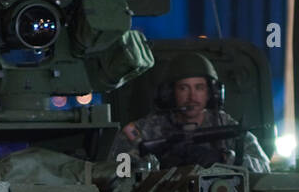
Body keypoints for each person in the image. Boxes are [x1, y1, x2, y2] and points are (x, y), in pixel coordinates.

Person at [110, 51, 271, 172]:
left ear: (211, 93)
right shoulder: (148, 128)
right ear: (170, 93)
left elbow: (264, 168)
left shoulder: (226, 126)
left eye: (199, 88)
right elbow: (115, 166)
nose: (192, 97)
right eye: (183, 88)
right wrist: (155, 164)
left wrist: (224, 158)